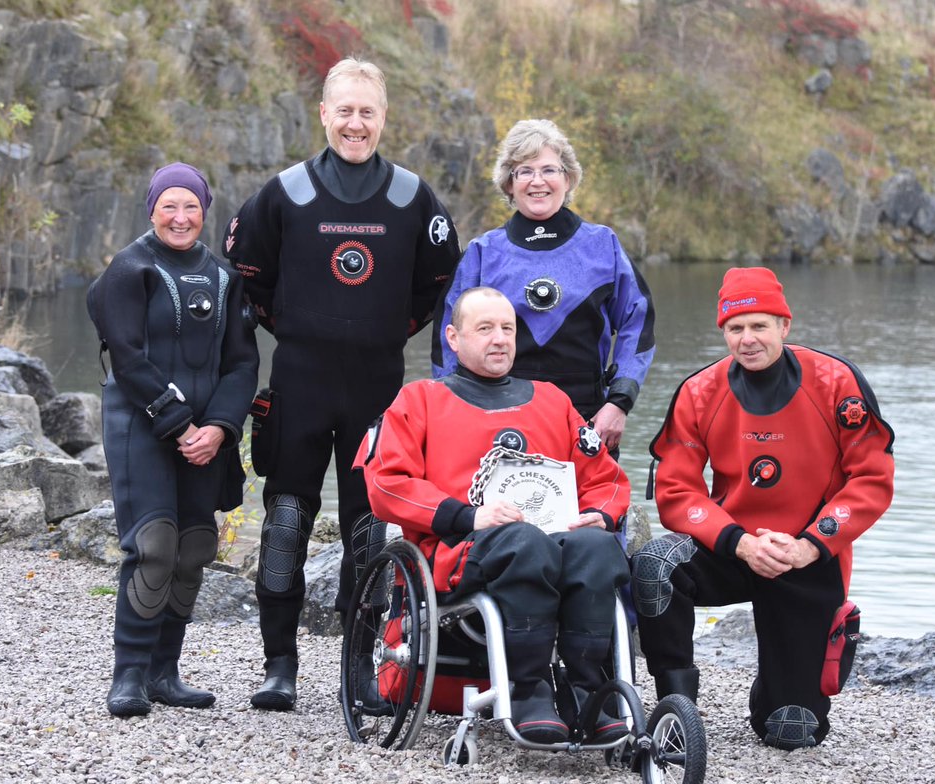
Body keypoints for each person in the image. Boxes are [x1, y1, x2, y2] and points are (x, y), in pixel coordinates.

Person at [221, 57, 460, 711]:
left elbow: (440, 284)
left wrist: (385, 330)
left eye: (368, 112)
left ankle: (360, 673)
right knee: (285, 524)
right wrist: (298, 328)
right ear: (324, 113)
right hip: (299, 379)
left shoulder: (412, 197)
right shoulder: (285, 192)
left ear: (384, 118)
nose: (356, 123)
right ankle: (279, 667)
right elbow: (245, 275)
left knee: (370, 530)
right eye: (345, 110)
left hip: (378, 387)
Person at [631, 267, 894, 750]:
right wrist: (739, 543)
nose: (747, 339)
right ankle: (675, 708)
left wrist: (810, 545)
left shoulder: (836, 382)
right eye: (735, 328)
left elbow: (872, 481)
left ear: (784, 326)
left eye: (759, 325)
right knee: (654, 563)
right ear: (724, 332)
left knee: (791, 732)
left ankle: (781, 682)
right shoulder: (700, 391)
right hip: (731, 548)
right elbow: (676, 490)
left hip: (806, 556)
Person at [362, 287, 631, 744]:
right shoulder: (419, 400)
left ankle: (588, 691)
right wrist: (467, 516)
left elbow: (606, 480)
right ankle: (528, 691)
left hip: (549, 541)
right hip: (457, 549)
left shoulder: (552, 401)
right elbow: (387, 483)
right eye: (484, 328)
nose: (500, 338)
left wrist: (599, 516)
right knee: (523, 542)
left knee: (597, 548)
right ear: (453, 337)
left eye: (507, 328)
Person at [87, 162, 259, 717]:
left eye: (191, 207)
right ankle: (128, 676)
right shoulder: (130, 269)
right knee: (154, 545)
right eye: (169, 206)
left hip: (205, 435)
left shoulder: (225, 277)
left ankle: (164, 673)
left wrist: (220, 428)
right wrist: (181, 425)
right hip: (140, 425)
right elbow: (127, 359)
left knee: (194, 548)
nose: (181, 217)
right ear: (152, 210)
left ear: (204, 211)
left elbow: (241, 363)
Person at [432, 119, 654, 454]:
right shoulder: (483, 253)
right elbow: (447, 339)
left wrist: (619, 402)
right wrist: (453, 408)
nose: (538, 181)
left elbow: (638, 323)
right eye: (525, 171)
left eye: (549, 170)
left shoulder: (602, 245)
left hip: (587, 419)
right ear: (509, 184)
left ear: (568, 178)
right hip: (497, 420)